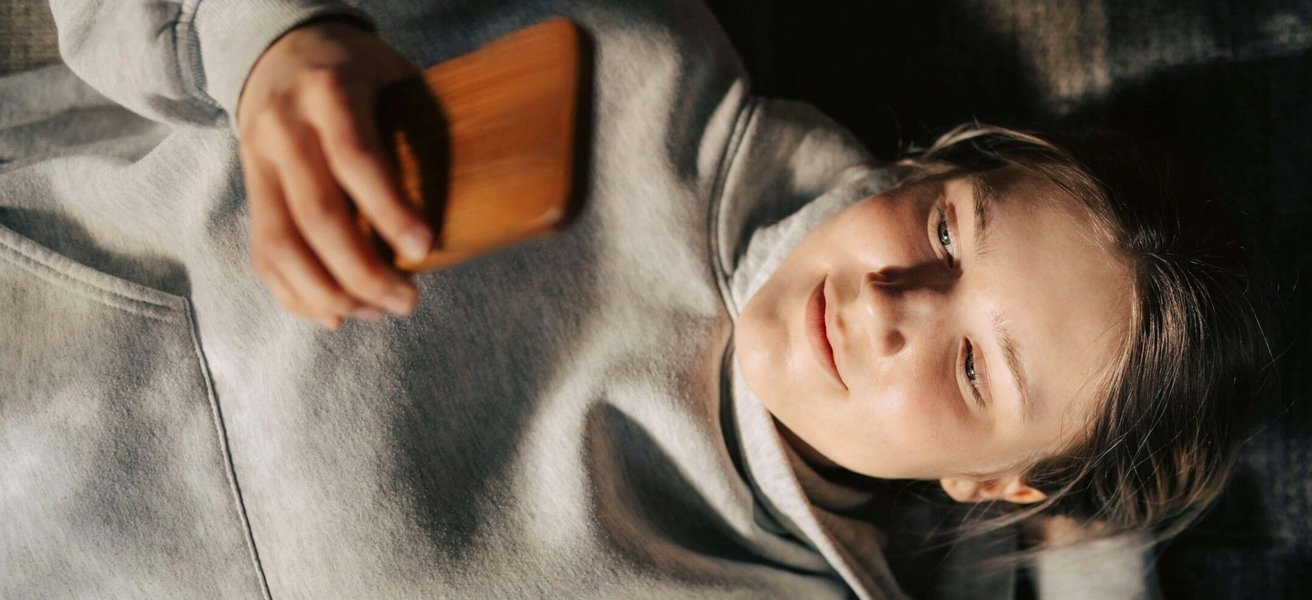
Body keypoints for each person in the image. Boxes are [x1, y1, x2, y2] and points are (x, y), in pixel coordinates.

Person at [0, 1, 1269, 599]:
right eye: (948, 227)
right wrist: (277, 39)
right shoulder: (627, 58)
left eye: (978, 368)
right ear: (937, 161)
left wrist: (1094, 560)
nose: (893, 303)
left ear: (996, 484)